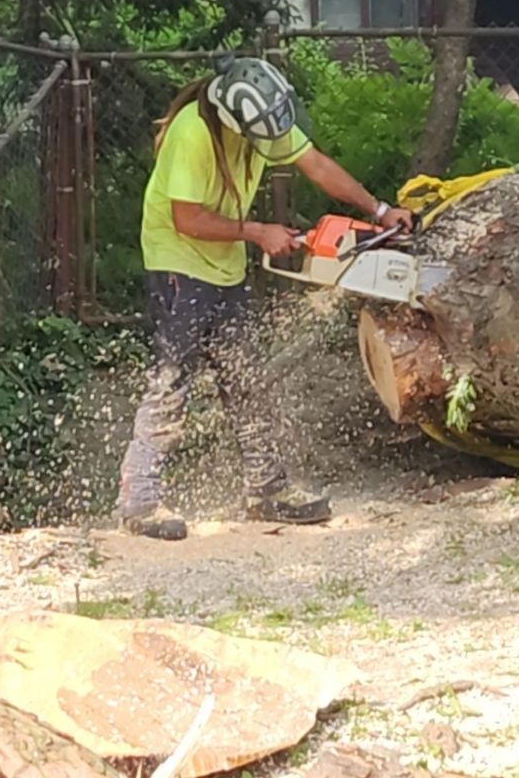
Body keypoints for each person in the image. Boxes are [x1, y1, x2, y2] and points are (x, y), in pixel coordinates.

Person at [115, 54, 411, 539]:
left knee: (245, 377)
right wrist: (257, 232)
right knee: (173, 380)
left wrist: (378, 210)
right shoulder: (192, 133)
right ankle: (139, 500)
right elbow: (187, 219)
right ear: (236, 122)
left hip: (224, 260)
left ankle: (266, 488)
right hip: (177, 261)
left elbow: (314, 163)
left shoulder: (261, 116)